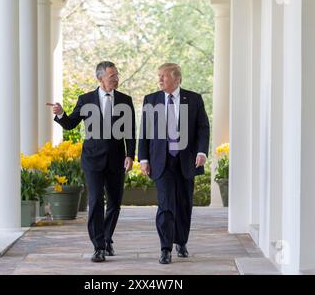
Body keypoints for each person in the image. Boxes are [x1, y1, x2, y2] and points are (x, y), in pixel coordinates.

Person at [50, 61, 136, 263]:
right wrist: (61, 113)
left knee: (114, 203)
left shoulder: (125, 100)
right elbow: (70, 124)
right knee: (96, 201)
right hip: (92, 160)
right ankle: (98, 247)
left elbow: (131, 131)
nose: (116, 78)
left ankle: (107, 238)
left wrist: (130, 155)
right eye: (112, 76)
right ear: (100, 78)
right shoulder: (86, 99)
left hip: (116, 160)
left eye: (116, 75)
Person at [138, 63, 210, 264]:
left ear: (177, 78)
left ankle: (181, 241)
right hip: (161, 161)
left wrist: (202, 151)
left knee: (184, 204)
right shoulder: (151, 99)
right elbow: (144, 131)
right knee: (166, 204)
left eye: (164, 76)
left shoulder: (194, 99)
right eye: (159, 76)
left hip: (186, 160)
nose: (159, 79)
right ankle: (165, 248)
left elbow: (203, 128)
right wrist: (143, 158)